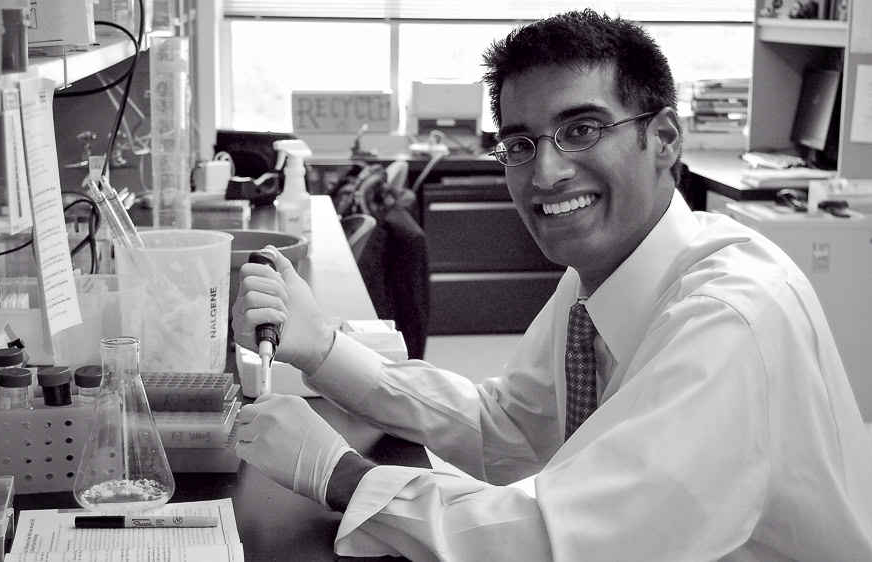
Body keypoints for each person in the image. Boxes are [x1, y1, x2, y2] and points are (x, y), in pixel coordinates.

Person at [232, 9, 872, 561]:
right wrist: (322, 349)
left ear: (665, 138)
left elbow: (560, 544)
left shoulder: (726, 319)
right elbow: (509, 428)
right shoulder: (607, 276)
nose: (547, 170)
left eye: (582, 128)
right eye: (519, 142)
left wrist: (337, 473)